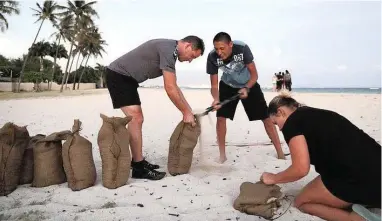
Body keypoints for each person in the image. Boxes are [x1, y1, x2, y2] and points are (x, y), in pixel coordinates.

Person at [260, 93, 381, 221]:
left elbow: (300, 169)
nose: (279, 129)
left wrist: (273, 178)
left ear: (281, 112)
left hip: (363, 180)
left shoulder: (292, 123)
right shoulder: (316, 114)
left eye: (276, 123)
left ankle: (357, 218)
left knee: (301, 203)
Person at [105, 36, 205, 180]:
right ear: (188, 46)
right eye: (192, 56)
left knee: (137, 119)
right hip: (119, 77)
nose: (190, 60)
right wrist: (184, 112)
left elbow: (175, 86)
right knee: (136, 119)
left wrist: (189, 111)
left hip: (128, 80)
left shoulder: (171, 51)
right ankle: (138, 167)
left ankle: (138, 161)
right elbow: (169, 88)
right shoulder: (169, 50)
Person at [206, 32, 286, 163]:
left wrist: (247, 88)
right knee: (220, 118)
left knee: (266, 117)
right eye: (216, 49)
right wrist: (216, 99)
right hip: (227, 85)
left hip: (249, 83)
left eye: (222, 48)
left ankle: (280, 153)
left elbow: (254, 74)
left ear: (230, 44)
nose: (219, 52)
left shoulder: (242, 49)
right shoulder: (212, 57)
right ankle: (222, 155)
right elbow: (214, 86)